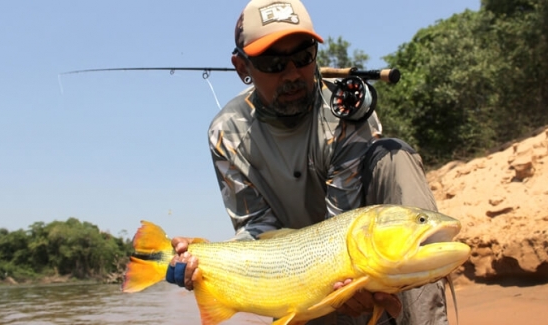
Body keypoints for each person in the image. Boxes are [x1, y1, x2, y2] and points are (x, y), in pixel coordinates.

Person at [168, 0, 449, 324]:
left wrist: (347, 281)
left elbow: (341, 224)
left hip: (355, 264)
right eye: (273, 63)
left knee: (395, 156)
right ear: (242, 67)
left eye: (303, 56)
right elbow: (257, 229)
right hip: (295, 284)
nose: (292, 74)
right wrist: (201, 257)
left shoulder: (345, 113)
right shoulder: (226, 132)